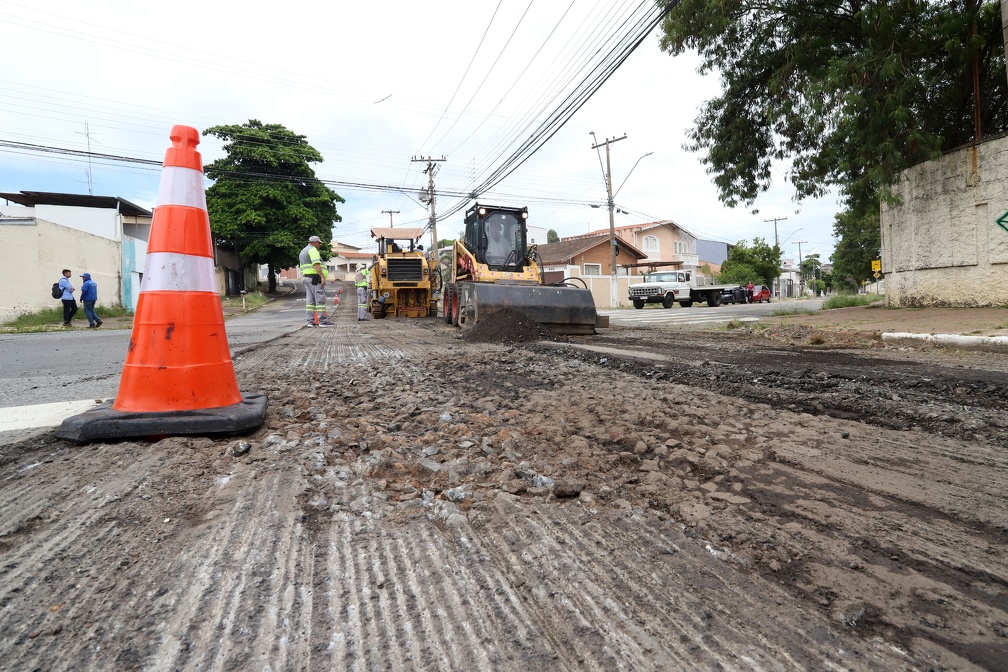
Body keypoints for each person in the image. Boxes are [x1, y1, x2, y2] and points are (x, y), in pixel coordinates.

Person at [299, 235, 327, 327]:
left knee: (310, 301)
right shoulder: (313, 250)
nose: (319, 245)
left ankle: (310, 322)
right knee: (320, 299)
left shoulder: (303, 251)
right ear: (315, 242)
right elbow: (316, 264)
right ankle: (322, 321)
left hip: (307, 278)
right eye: (319, 243)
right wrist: (322, 276)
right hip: (314, 279)